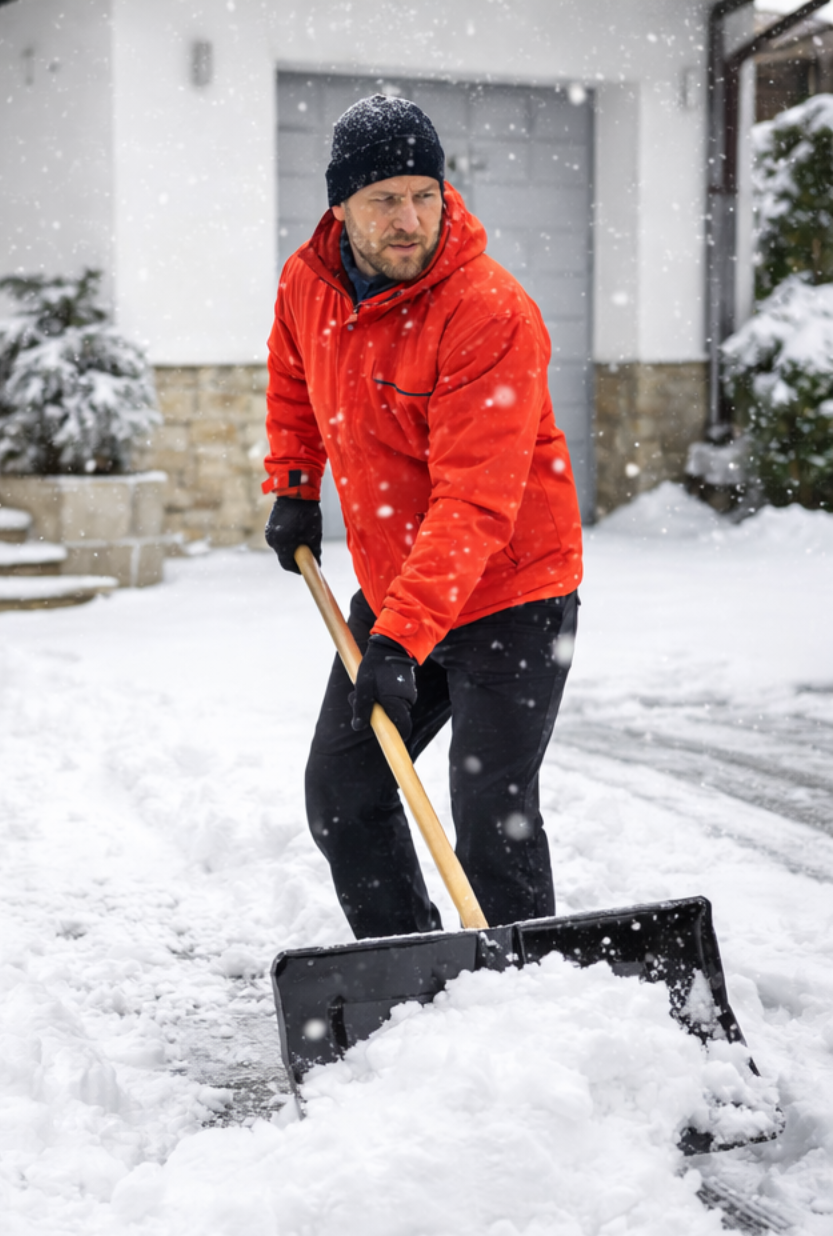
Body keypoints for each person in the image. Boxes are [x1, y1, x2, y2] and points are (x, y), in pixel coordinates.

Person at [261, 93, 584, 940]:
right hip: (405, 585)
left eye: (425, 195)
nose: (410, 220)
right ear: (340, 206)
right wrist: (297, 480)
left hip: (512, 591)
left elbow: (475, 499)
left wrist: (399, 640)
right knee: (343, 790)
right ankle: (409, 965)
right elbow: (294, 371)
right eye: (384, 200)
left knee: (490, 815)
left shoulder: (488, 310)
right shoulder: (310, 282)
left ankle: (529, 995)